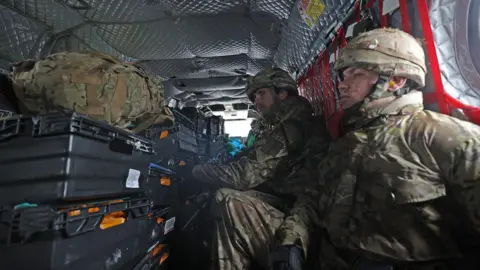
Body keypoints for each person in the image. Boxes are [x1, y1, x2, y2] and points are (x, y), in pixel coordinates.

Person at [308, 28, 480, 269]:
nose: (342, 86)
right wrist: (292, 239)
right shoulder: (347, 141)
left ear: (395, 80)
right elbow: (316, 203)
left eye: (355, 74)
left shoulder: (446, 138)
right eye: (343, 76)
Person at [191, 68, 329, 270]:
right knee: (223, 195)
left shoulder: (293, 126)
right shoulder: (282, 124)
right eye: (254, 96)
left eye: (261, 93)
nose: (256, 101)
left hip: (301, 219)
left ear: (282, 93)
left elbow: (245, 176)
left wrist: (196, 171)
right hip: (289, 204)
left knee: (231, 201)